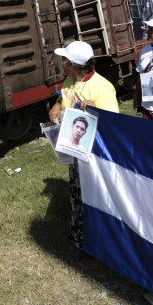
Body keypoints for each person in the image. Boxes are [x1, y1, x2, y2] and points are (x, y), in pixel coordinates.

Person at [48, 40, 119, 253]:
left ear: (72, 64)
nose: (61, 64)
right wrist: (57, 104)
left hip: (94, 153)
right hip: (75, 150)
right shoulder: (70, 79)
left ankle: (95, 244)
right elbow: (65, 96)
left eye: (64, 61)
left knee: (93, 197)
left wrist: (98, 108)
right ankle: (79, 237)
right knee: (77, 191)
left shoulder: (102, 87)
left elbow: (114, 124)